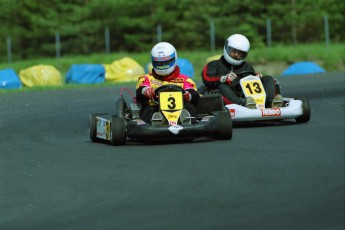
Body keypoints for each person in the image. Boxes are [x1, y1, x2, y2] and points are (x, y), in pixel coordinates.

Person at [201, 34, 283, 109]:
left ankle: (270, 103)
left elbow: (252, 81)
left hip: (247, 96)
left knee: (268, 78)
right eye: (234, 51)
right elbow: (207, 79)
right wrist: (223, 78)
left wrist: (257, 78)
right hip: (229, 97)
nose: (237, 55)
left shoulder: (246, 66)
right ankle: (243, 105)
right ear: (227, 48)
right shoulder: (214, 65)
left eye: (240, 53)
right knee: (222, 86)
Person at [136, 42, 199, 125]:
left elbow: (194, 94)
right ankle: (157, 120)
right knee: (147, 110)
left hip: (181, 109)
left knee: (190, 107)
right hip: (155, 108)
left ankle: (186, 119)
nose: (162, 66)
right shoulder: (147, 78)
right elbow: (141, 89)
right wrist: (146, 91)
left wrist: (188, 96)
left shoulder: (185, 80)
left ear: (174, 58)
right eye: (159, 63)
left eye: (166, 62)